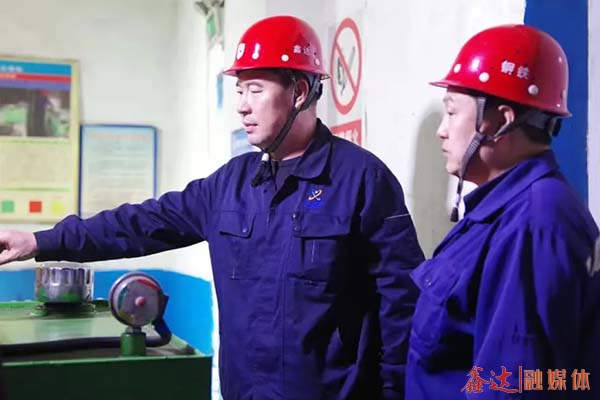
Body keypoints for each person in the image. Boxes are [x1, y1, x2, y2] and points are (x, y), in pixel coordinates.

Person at [0, 16, 424, 399]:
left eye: (255, 89)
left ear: (298, 92)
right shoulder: (230, 185)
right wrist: (39, 241)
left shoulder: (361, 180)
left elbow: (401, 302)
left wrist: (395, 392)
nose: (242, 105)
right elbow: (140, 223)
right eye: (239, 90)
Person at [405, 24, 600, 399]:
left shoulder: (533, 223)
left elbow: (511, 385)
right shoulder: (504, 210)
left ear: (500, 121)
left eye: (452, 113)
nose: (442, 131)